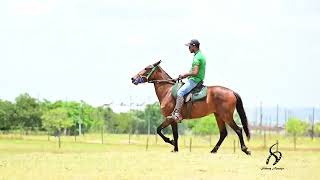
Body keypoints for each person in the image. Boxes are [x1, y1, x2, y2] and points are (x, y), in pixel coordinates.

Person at [171, 39, 206, 123]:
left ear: (194, 46)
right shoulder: (199, 55)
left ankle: (177, 113)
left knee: (180, 93)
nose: (188, 48)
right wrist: (183, 77)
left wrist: (184, 75)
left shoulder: (197, 57)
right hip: (195, 79)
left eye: (189, 46)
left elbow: (195, 72)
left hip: (195, 80)